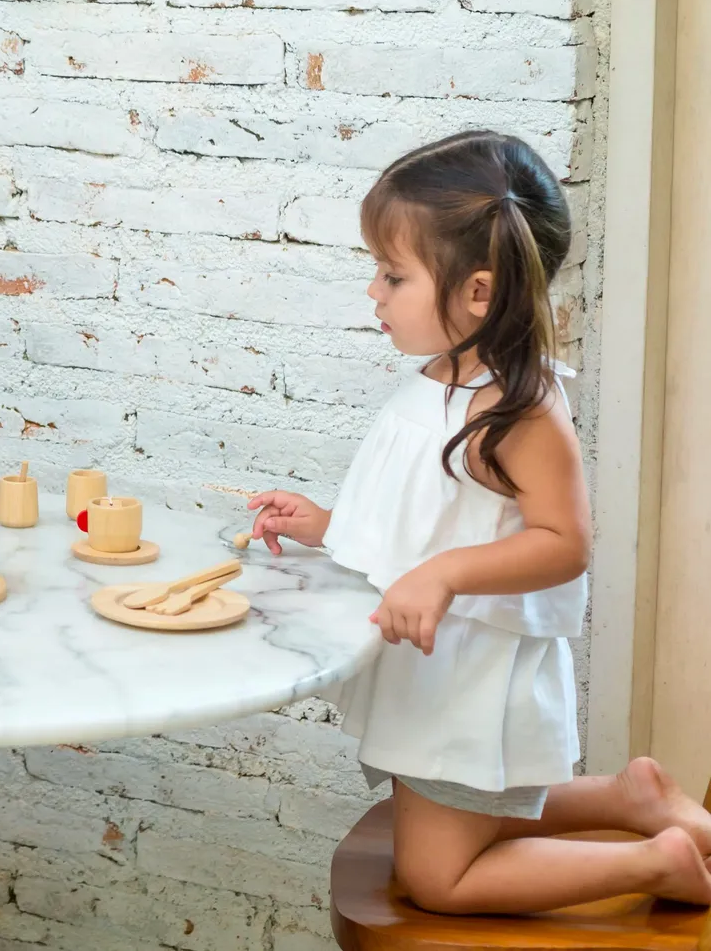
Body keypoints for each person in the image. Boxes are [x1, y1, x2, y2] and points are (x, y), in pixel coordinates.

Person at [247, 130, 711, 914]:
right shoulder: (435, 379)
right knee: (462, 820)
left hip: (471, 673)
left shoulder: (518, 410)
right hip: (430, 663)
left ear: (478, 292)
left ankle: (658, 860)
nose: (374, 293)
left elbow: (565, 545)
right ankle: (626, 799)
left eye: (392, 275)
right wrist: (332, 524)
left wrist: (446, 575)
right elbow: (429, 513)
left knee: (440, 877)